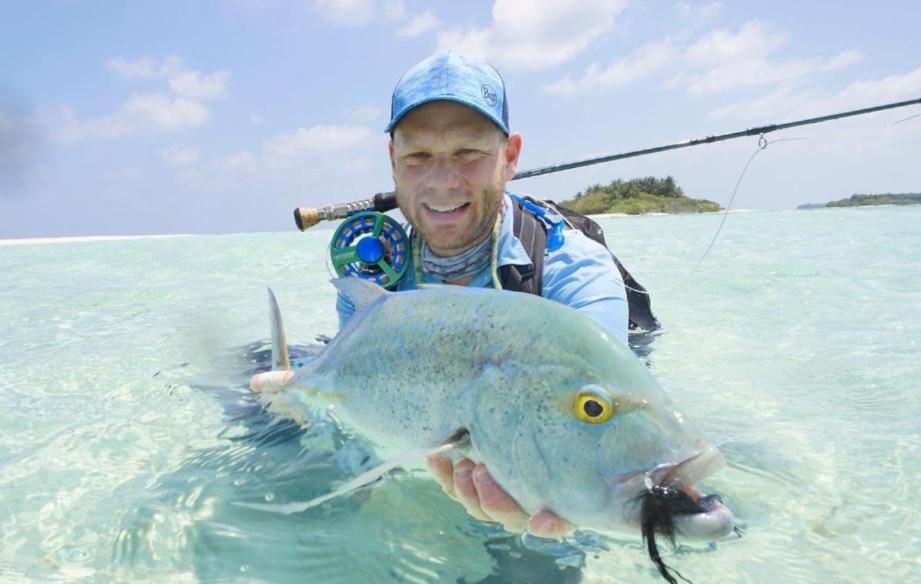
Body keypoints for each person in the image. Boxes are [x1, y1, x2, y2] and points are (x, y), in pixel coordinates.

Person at [260, 50, 638, 539]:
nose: (442, 181)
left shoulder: (576, 272)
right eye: (418, 157)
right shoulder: (376, 271)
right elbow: (357, 394)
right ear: (393, 161)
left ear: (510, 156)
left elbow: (600, 412)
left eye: (468, 153)